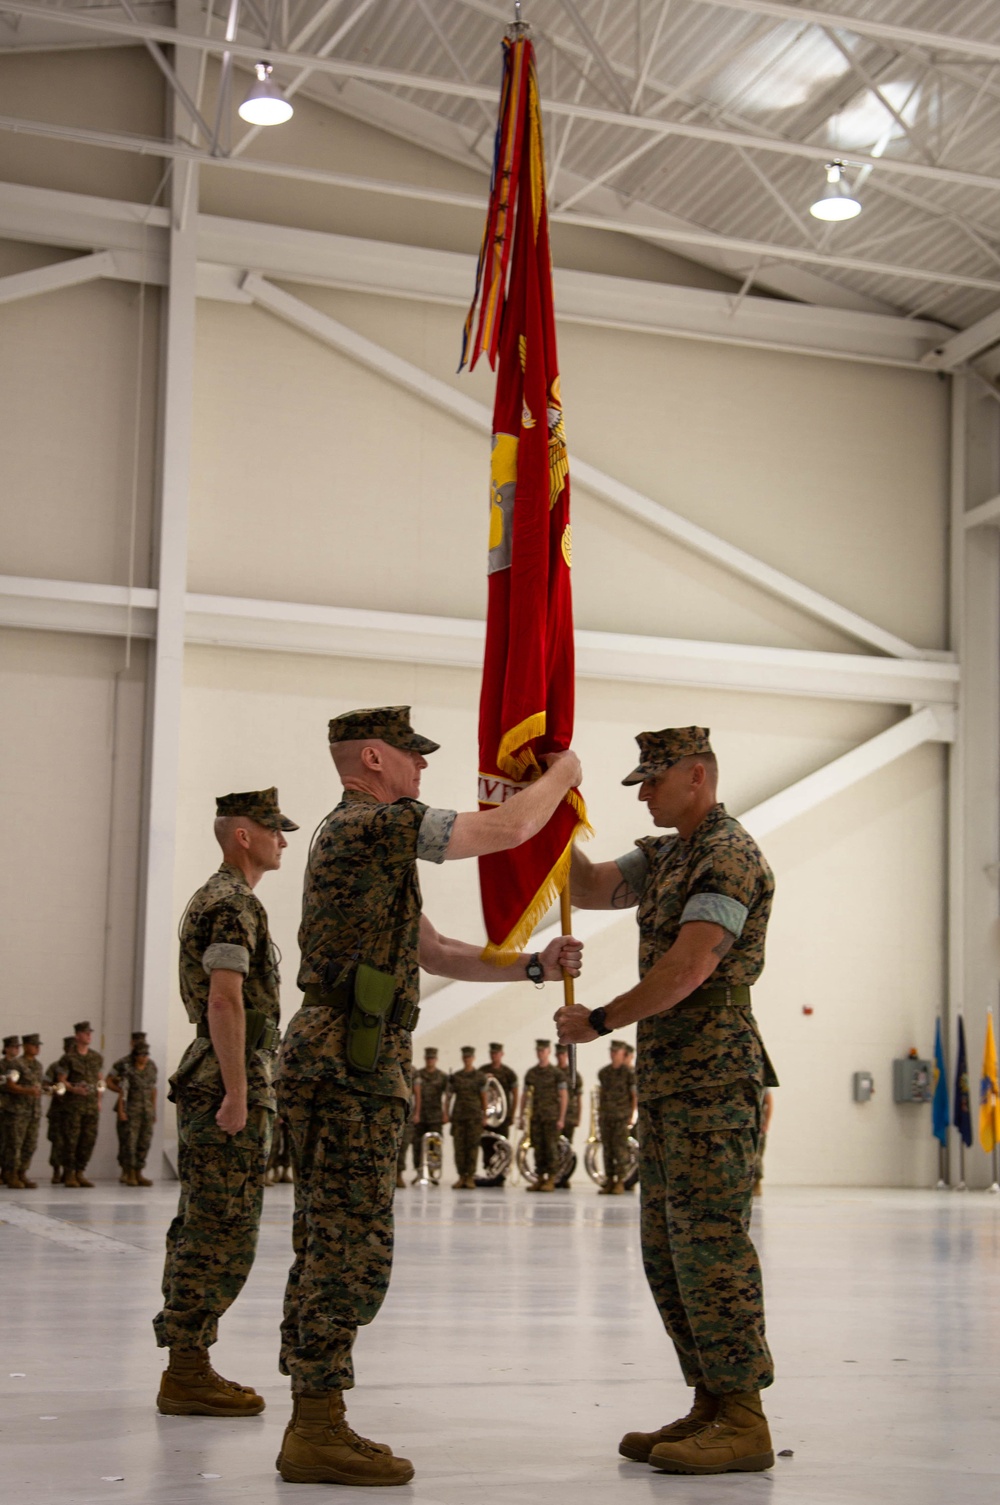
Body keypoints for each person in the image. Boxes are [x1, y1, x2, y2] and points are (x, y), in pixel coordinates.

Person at [276, 705, 582, 1486]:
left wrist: (536, 965)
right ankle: (315, 1424)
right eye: (412, 756)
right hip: (349, 1054)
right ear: (373, 758)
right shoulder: (368, 824)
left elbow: (437, 949)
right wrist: (563, 774)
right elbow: (505, 831)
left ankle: (318, 1414)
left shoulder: (364, 843)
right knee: (345, 1241)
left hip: (352, 1050)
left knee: (333, 1234)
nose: (422, 770)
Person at [556, 726, 778, 1476]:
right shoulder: (665, 855)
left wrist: (599, 1019)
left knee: (711, 1245)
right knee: (667, 1250)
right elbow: (586, 886)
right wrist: (544, 807)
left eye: (653, 780)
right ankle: (711, 1401)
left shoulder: (728, 854)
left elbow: (688, 966)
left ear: (697, 775)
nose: (644, 792)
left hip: (714, 1075)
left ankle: (744, 1414)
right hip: (671, 1079)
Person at [152, 786, 297, 1418]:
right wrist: (238, 1091)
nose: (283, 840)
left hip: (226, 1071)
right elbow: (223, 998)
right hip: (224, 1077)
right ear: (244, 834)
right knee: (221, 1226)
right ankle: (186, 1370)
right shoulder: (231, 903)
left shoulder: (226, 899)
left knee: (210, 1220)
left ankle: (187, 1363)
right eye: (274, 830)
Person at [107, 1032, 158, 1187]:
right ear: (132, 1043)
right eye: (137, 1042)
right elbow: (109, 1081)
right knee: (128, 1141)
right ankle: (127, 1172)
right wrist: (123, 1093)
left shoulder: (151, 1066)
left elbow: (153, 1089)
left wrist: (153, 1110)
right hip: (129, 1107)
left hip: (146, 1109)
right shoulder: (123, 1064)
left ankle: (138, 1172)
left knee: (144, 1142)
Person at [521, 1039, 568, 1192]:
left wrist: (561, 1118)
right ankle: (540, 1178)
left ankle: (551, 1179)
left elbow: (564, 1096)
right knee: (538, 1148)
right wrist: (522, 1115)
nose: (540, 1054)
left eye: (543, 1051)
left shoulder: (556, 1073)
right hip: (536, 1117)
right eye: (538, 1051)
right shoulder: (531, 1073)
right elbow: (525, 1095)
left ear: (548, 1052)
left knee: (551, 1148)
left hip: (551, 1117)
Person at [61, 1021, 104, 1188]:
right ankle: (70, 1173)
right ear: (77, 1035)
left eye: (90, 1033)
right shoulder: (68, 1058)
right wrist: (73, 1089)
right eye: (85, 1033)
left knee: (88, 1140)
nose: (89, 1036)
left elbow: (100, 1079)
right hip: (74, 1106)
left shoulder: (96, 1057)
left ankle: (80, 1172)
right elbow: (61, 1080)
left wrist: (99, 1100)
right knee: (71, 1140)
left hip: (91, 1105)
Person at [4, 1033, 44, 1188]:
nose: (37, 1048)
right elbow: (10, 1085)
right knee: (15, 1145)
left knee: (30, 1144)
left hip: (34, 1111)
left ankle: (22, 1173)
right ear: (26, 1046)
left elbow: (37, 1086)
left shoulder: (38, 1065)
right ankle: (12, 1174)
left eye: (38, 1045)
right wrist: (28, 1091)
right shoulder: (16, 1064)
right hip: (18, 1111)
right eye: (34, 1045)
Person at [597, 1040, 638, 1195]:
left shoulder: (629, 1074)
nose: (613, 1054)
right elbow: (601, 1095)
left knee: (620, 1150)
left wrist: (632, 1116)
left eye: (617, 1052)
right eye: (612, 1051)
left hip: (621, 1117)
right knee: (607, 1150)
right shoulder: (604, 1073)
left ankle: (621, 1181)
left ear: (624, 1054)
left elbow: (634, 1096)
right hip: (606, 1116)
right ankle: (609, 1180)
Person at [447, 1047, 488, 1189]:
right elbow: (449, 1096)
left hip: (474, 1116)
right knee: (459, 1148)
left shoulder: (479, 1076)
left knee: (472, 1148)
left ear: (473, 1058)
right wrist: (446, 1113)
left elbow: (484, 1097)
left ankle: (470, 1177)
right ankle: (461, 1176)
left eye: (469, 1057)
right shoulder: (456, 1077)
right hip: (459, 1116)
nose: (467, 1059)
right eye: (465, 1057)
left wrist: (485, 1115)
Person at [478, 1041, 518, 1187]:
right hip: (487, 1117)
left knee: (502, 1146)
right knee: (486, 1145)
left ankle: (500, 1175)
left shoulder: (508, 1073)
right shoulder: (483, 1071)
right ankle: (489, 1172)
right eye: (492, 1053)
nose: (494, 1056)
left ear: (501, 1054)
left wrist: (512, 1114)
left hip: (502, 1117)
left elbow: (515, 1094)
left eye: (497, 1053)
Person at [411, 1047, 447, 1184]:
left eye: (432, 1058)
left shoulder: (442, 1076)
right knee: (417, 1145)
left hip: (436, 1116)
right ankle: (420, 1172)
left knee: (435, 1146)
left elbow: (447, 1096)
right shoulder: (418, 1074)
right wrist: (416, 1114)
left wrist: (445, 1113)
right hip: (421, 1115)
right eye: (428, 1058)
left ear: (436, 1059)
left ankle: (432, 1173)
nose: (430, 1060)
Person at [45, 1037, 73, 1184]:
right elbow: (45, 1084)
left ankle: (70, 1173)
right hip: (59, 1110)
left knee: (73, 1142)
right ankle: (56, 1171)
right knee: (58, 1142)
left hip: (75, 1110)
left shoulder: (82, 1067)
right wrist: (56, 1089)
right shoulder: (56, 1066)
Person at [553, 1043, 581, 1189]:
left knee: (567, 1148)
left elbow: (579, 1098)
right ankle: (555, 1175)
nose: (561, 1057)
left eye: (563, 1054)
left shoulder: (574, 1074)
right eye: (558, 1055)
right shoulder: (552, 1072)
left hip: (569, 1116)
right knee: (554, 1147)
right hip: (553, 1115)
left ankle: (565, 1176)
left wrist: (578, 1117)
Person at [1, 1035, 24, 1187]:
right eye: (14, 1046)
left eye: (18, 1047)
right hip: (4, 1108)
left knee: (14, 1143)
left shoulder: (21, 1065)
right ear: (7, 1048)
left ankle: (11, 1173)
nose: (17, 1049)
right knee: (3, 1142)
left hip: (18, 1109)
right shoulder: (2, 1065)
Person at [753, 1089, 774, 1197]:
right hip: (747, 1124)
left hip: (758, 1125)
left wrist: (766, 1123)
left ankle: (756, 1183)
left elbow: (769, 1103)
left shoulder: (763, 1086)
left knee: (757, 1156)